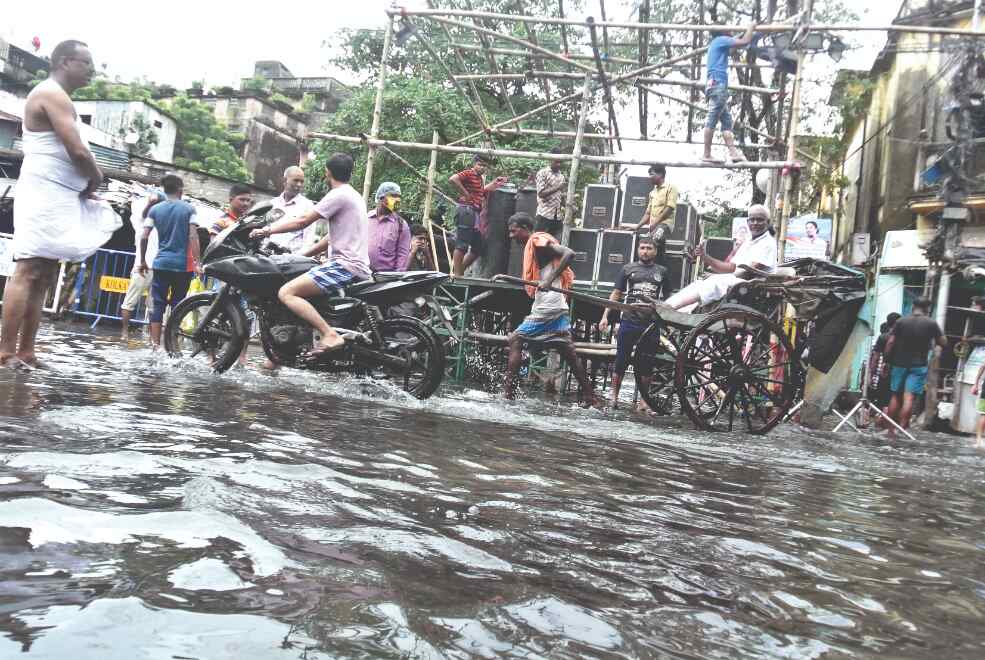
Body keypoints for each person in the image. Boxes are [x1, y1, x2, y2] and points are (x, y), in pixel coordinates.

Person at [0, 40, 103, 369]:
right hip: (43, 193)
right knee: (28, 270)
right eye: (86, 62)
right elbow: (78, 152)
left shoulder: (63, 98)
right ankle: (4, 352)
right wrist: (95, 179)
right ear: (65, 62)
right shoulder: (50, 94)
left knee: (44, 273)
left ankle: (27, 351)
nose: (92, 70)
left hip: (58, 194)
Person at [250, 153, 369, 358]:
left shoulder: (338, 195)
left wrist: (266, 230)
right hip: (353, 264)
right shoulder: (354, 195)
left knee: (287, 293)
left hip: (344, 265)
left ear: (327, 173)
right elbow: (330, 239)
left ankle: (329, 334)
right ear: (351, 173)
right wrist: (304, 254)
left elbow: (302, 222)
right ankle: (285, 354)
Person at [494, 213, 596, 407]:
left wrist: (549, 280)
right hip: (556, 303)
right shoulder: (535, 246)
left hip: (549, 304)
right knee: (568, 352)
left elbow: (569, 253)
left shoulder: (537, 240)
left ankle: (508, 395)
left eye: (513, 231)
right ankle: (591, 396)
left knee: (516, 339)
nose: (511, 235)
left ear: (525, 228)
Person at [599, 237, 668, 411]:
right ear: (638, 250)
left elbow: (668, 300)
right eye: (642, 247)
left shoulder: (662, 271)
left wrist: (668, 322)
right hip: (629, 320)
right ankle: (614, 396)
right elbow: (616, 294)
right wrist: (605, 316)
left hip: (651, 324)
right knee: (621, 360)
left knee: (646, 364)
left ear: (655, 251)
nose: (645, 251)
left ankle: (644, 401)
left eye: (649, 248)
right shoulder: (627, 269)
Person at [664, 204, 776, 310]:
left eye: (760, 220)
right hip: (740, 283)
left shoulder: (768, 243)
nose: (755, 223)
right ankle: (668, 307)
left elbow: (747, 272)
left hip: (754, 287)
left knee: (716, 282)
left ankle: (670, 308)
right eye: (752, 219)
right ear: (748, 221)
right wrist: (705, 257)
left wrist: (717, 276)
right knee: (700, 283)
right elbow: (731, 268)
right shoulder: (748, 241)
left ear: (768, 222)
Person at [139, 174, 202, 348]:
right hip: (183, 266)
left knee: (157, 304)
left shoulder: (155, 210)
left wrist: (143, 260)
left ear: (164, 190)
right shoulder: (189, 209)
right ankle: (171, 345)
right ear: (180, 190)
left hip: (161, 263)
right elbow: (193, 235)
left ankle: (154, 346)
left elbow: (144, 236)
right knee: (178, 304)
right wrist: (198, 262)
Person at [884, 297, 947, 438]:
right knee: (909, 397)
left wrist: (887, 360)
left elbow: (890, 342)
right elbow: (943, 342)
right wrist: (935, 342)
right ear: (928, 308)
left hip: (899, 363)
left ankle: (890, 430)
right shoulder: (931, 323)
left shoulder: (901, 321)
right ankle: (902, 429)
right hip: (919, 365)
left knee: (895, 396)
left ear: (913, 305)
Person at [702, 23, 757, 164]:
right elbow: (745, 41)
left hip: (716, 85)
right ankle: (706, 154)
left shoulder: (717, 44)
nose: (732, 30)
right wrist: (751, 26)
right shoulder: (721, 40)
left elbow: (734, 50)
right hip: (718, 85)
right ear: (723, 31)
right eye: (729, 28)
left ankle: (733, 153)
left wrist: (752, 34)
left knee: (726, 121)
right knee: (712, 118)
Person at [449, 155, 507, 277]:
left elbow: (481, 193)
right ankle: (458, 275)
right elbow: (453, 179)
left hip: (474, 213)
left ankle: (458, 272)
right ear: (474, 164)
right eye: (480, 165)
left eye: (485, 166)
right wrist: (465, 194)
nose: (482, 168)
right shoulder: (469, 173)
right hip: (466, 210)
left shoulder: (480, 178)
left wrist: (494, 183)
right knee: (462, 245)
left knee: (478, 247)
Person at [120, 188, 164, 340]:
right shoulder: (141, 222)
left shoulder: (161, 225)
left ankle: (153, 338)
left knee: (154, 306)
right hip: (142, 267)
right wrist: (150, 202)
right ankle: (125, 332)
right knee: (130, 302)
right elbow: (144, 214)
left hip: (158, 268)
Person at [267, 166, 314, 253]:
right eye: (296, 180)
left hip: (291, 259)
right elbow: (265, 230)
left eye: (302, 182)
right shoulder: (272, 204)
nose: (299, 184)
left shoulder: (308, 206)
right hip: (268, 256)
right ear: (284, 181)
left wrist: (298, 259)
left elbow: (308, 240)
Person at [628, 164, 678, 244]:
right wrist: (636, 227)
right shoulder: (652, 193)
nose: (649, 177)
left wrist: (656, 222)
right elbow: (647, 213)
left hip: (665, 224)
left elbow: (669, 208)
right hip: (654, 226)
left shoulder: (671, 188)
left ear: (660, 174)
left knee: (651, 241)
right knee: (651, 246)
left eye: (652, 174)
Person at [367, 181, 411, 272]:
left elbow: (402, 257)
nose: (397, 200)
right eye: (393, 196)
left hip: (385, 279)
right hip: (361, 274)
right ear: (381, 197)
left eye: (399, 197)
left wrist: (396, 280)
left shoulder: (401, 225)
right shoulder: (365, 218)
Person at [869, 312, 901, 427]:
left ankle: (885, 423)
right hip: (901, 371)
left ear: (888, 323)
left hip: (885, 371)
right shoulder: (904, 338)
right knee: (896, 397)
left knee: (885, 400)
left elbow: (875, 358)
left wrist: (871, 374)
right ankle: (893, 425)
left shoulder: (883, 337)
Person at [534, 148, 566, 238]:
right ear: (550, 160)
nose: (559, 164)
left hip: (557, 216)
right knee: (539, 242)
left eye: (560, 162)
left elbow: (560, 195)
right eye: (556, 162)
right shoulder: (542, 173)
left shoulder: (561, 176)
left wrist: (567, 206)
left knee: (554, 245)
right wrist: (558, 187)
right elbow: (541, 193)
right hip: (544, 215)